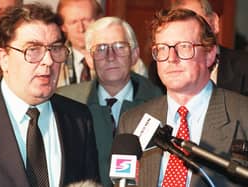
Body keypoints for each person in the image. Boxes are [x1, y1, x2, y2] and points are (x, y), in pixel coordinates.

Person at [0, 3, 99, 187]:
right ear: (4, 59)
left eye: (55, 48)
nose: (48, 61)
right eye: (33, 49)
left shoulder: (78, 119)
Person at [118, 9, 248, 186]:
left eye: (184, 47)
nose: (171, 58)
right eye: (162, 48)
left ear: (210, 55)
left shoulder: (242, 115)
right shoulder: (132, 121)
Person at [56, 16, 163, 186]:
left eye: (120, 47)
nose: (110, 56)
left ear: (135, 55)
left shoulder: (161, 104)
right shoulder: (67, 103)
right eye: (100, 49)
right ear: (89, 59)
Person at [56, 0, 148, 87]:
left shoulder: (130, 62)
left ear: (99, 18)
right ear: (63, 27)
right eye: (73, 22)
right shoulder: (54, 62)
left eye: (86, 20)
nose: (81, 29)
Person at [172, 0, 248, 96]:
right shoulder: (163, 70)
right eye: (178, 26)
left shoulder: (244, 66)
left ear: (214, 23)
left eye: (195, 21)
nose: (186, 32)